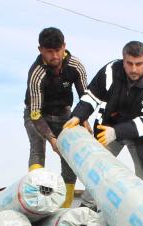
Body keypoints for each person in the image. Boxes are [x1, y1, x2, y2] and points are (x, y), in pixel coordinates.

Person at [64, 40, 143, 185]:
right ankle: (89, 199)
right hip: (111, 125)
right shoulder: (111, 70)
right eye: (129, 63)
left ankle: (142, 199)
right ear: (123, 61)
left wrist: (116, 132)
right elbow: (92, 95)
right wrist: (78, 115)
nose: (133, 69)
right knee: (97, 169)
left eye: (138, 64)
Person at [24, 27, 89, 208]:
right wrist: (52, 139)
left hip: (64, 114)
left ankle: (64, 209)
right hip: (37, 115)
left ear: (64, 46)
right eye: (49, 52)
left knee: (69, 157)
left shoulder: (76, 65)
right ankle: (36, 201)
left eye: (58, 50)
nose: (54, 56)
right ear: (40, 50)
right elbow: (35, 113)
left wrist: (84, 119)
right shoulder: (36, 73)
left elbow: (86, 98)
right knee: (38, 149)